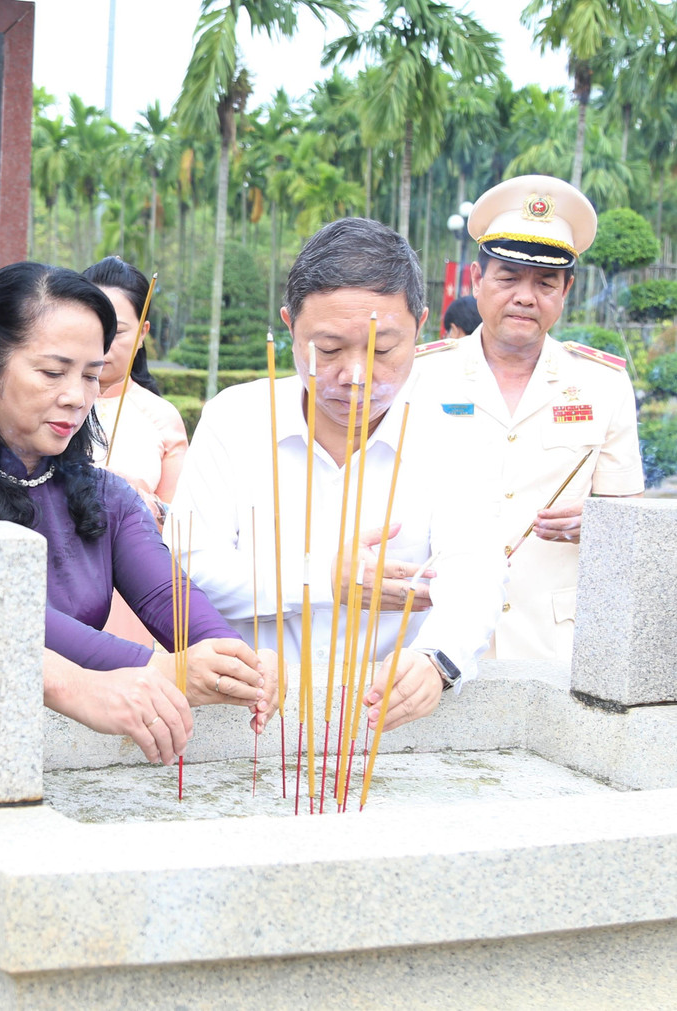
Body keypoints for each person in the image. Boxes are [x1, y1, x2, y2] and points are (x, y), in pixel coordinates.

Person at [0, 262, 274, 766]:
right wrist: (161, 668)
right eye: (52, 372)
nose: (76, 397)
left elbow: (167, 597)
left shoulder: (107, 495)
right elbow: (4, 615)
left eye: (92, 375)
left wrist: (235, 661)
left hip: (74, 756)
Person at [169, 217, 506, 734]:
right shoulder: (234, 420)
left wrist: (437, 662)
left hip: (384, 721)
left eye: (384, 349)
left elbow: (475, 574)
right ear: (289, 324)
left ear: (420, 325)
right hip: (247, 717)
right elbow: (188, 568)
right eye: (326, 350)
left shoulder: (455, 436)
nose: (355, 374)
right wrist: (322, 578)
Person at [413, 175, 644, 661]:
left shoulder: (603, 385)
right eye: (508, 277)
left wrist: (599, 522)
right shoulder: (420, 376)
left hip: (556, 643)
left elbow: (631, 520)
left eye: (545, 282)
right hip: (433, 635)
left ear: (567, 291)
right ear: (477, 281)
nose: (525, 296)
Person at [81, 256, 189, 647]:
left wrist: (137, 503)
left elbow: (183, 522)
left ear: (142, 333)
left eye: (119, 332)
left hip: (134, 593)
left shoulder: (160, 417)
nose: (104, 346)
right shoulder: (54, 404)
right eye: (95, 329)